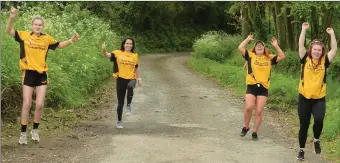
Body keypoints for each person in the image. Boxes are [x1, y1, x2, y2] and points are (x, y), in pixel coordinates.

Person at [6, 7, 80, 145]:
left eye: (40, 25)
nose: (38, 27)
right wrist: (12, 16)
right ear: (32, 26)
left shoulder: (46, 39)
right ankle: (23, 133)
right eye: (35, 24)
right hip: (28, 73)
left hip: (41, 74)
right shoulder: (24, 36)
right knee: (27, 103)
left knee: (39, 104)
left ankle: (35, 130)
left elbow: (59, 45)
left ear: (42, 26)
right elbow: (9, 30)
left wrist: (71, 40)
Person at [296, 22, 337, 161]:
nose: (317, 52)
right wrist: (303, 30)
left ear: (322, 51)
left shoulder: (324, 61)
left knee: (319, 120)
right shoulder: (305, 59)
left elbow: (334, 50)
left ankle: (316, 140)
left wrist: (332, 34)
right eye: (315, 49)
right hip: (304, 97)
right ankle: (301, 150)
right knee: (304, 125)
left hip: (319, 98)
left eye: (319, 50)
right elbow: (301, 45)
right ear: (311, 50)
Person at [238, 35, 285, 140]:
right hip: (251, 85)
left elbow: (282, 56)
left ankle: (255, 131)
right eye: (257, 45)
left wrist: (276, 46)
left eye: (261, 46)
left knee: (259, 111)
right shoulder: (250, 55)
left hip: (263, 88)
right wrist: (247, 40)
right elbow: (240, 48)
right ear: (254, 48)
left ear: (264, 49)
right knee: (249, 107)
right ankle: (246, 127)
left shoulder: (269, 58)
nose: (259, 46)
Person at [102, 38, 142, 129]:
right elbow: (108, 55)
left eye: (131, 44)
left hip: (131, 79)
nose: (129, 45)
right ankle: (119, 121)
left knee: (130, 86)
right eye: (127, 43)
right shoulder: (118, 53)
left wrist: (139, 78)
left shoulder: (134, 55)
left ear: (132, 45)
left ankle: (129, 105)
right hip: (120, 79)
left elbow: (136, 68)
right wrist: (104, 50)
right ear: (124, 44)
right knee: (120, 103)